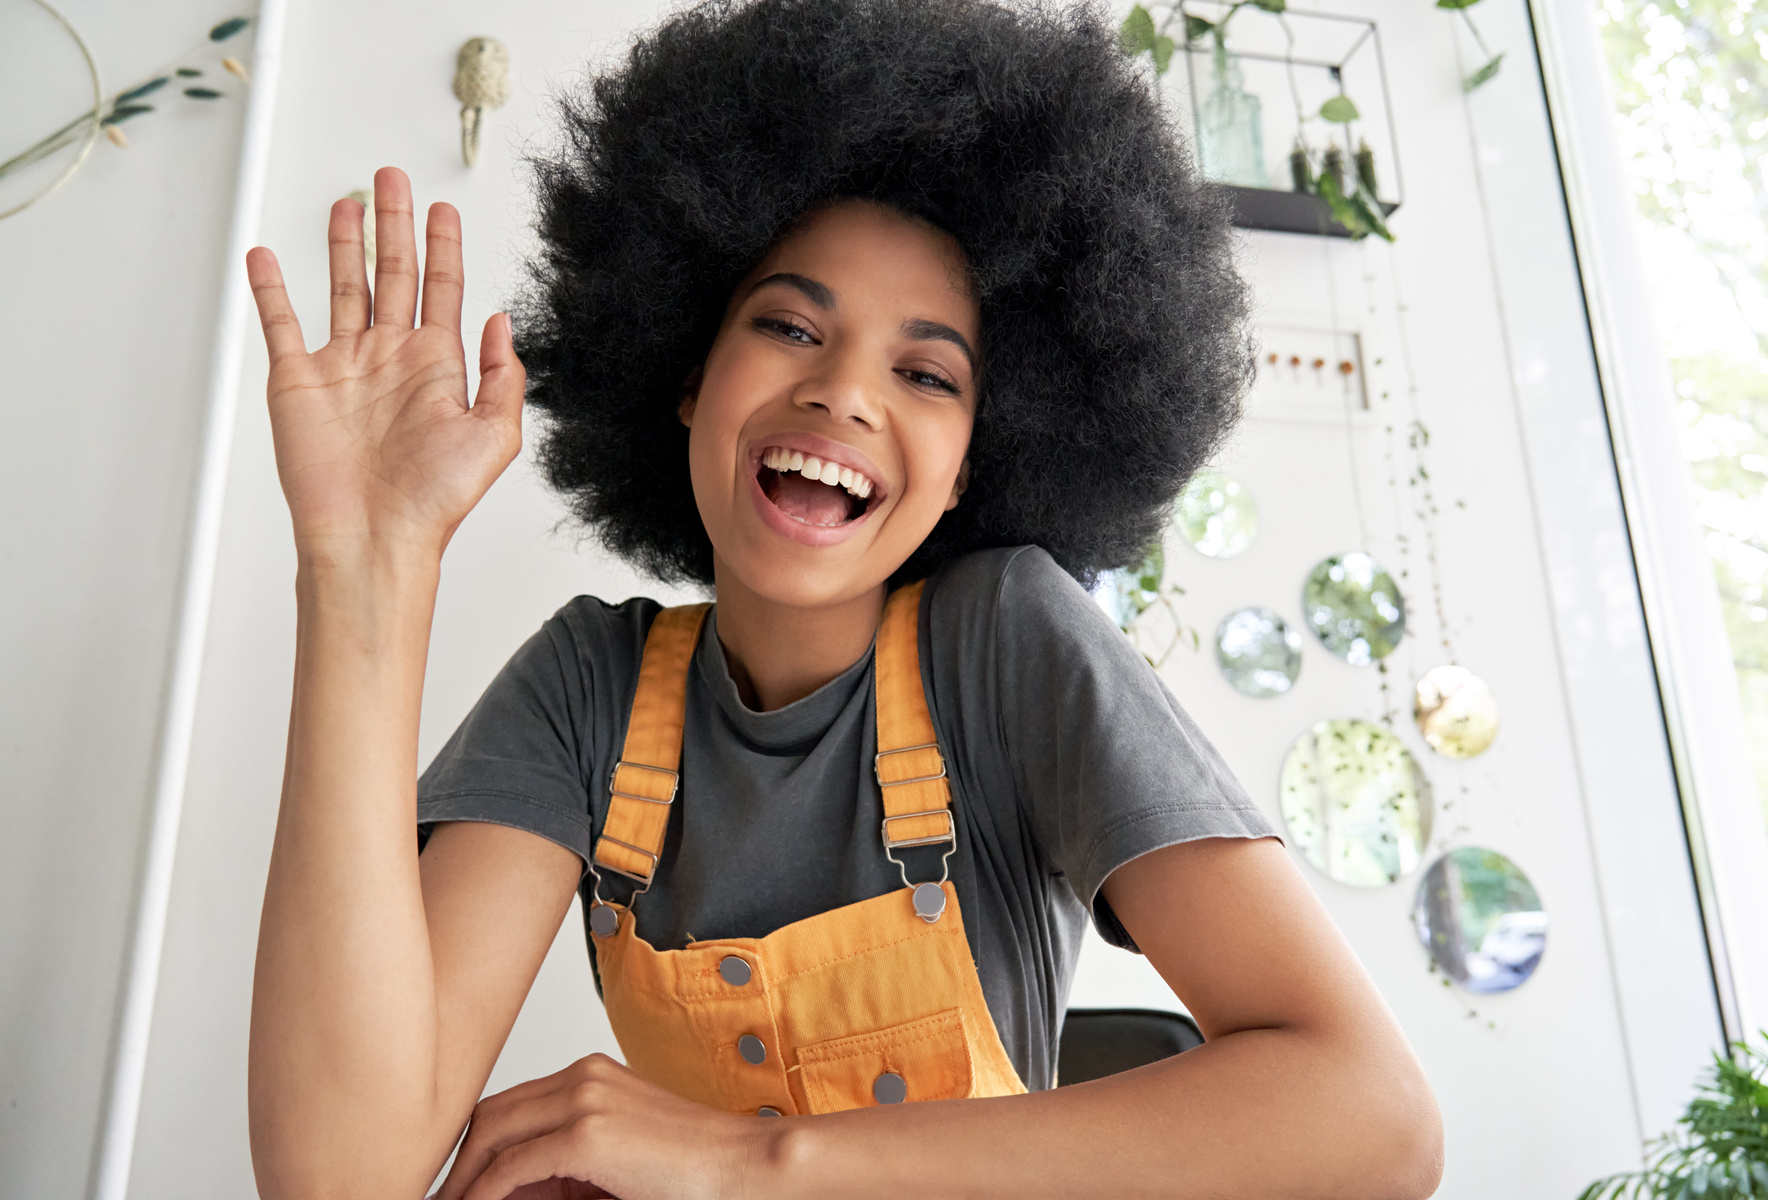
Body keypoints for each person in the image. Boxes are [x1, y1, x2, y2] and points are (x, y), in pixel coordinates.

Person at [241, 1, 1444, 1197]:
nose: (844, 394)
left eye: (925, 372)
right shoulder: (585, 693)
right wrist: (367, 563)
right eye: (787, 325)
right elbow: (339, 1175)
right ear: (688, 377)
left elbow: (1373, 1121)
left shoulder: (1004, 645)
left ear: (977, 456)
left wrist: (755, 1161)